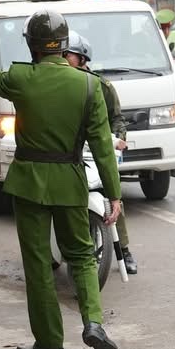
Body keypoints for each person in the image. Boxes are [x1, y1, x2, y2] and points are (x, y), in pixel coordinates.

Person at [0, 9, 125, 349]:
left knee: (39, 263)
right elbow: (104, 146)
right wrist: (114, 194)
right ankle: (93, 322)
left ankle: (50, 343)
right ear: (63, 45)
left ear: (32, 45)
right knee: (82, 256)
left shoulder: (20, 77)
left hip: (28, 183)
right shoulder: (89, 85)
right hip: (71, 182)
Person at [63, 31, 137, 274]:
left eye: (69, 55)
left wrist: (118, 140)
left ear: (83, 58)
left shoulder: (101, 87)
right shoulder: (57, 85)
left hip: (97, 152)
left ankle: (123, 250)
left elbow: (117, 120)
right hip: (66, 154)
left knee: (111, 198)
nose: (64, 59)